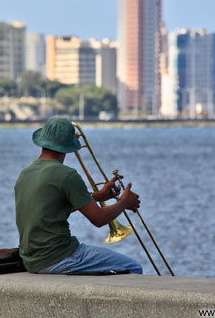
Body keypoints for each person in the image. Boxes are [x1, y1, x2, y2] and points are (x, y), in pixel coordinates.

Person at [15, 116, 143, 274]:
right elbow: (99, 219)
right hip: (59, 257)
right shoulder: (67, 175)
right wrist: (124, 202)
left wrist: (96, 196)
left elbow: (50, 211)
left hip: (32, 260)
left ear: (43, 141)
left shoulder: (25, 173)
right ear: (69, 146)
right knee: (133, 268)